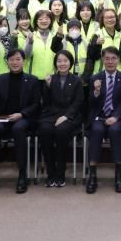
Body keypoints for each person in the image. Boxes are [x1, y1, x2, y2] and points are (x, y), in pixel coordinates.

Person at [0, 49, 41, 194]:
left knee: (18, 129)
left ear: (24, 61)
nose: (14, 62)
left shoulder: (33, 80)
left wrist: (21, 114)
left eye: (18, 59)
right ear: (7, 62)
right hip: (3, 117)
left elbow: (36, 104)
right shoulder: (0, 79)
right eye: (11, 59)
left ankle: (22, 175)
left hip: (23, 118)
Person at [86, 47, 121, 194]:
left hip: (117, 118)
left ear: (118, 60)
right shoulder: (95, 78)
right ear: (102, 60)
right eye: (107, 58)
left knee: (115, 130)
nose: (110, 62)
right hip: (99, 116)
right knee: (96, 130)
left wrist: (115, 117)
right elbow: (91, 104)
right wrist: (96, 92)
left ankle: (119, 175)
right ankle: (92, 175)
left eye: (113, 58)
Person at [37, 50, 84, 187]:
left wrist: (66, 116)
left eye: (65, 61)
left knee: (61, 131)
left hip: (70, 116)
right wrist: (47, 86)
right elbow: (46, 102)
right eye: (59, 61)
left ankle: (60, 173)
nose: (62, 64)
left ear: (70, 63)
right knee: (45, 130)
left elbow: (78, 102)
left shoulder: (76, 80)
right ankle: (50, 173)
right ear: (55, 63)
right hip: (51, 115)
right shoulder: (51, 79)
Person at [24, 10, 64, 80]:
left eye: (47, 19)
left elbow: (61, 55)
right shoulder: (31, 35)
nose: (44, 21)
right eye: (40, 19)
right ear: (36, 21)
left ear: (51, 21)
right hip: (33, 77)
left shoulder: (56, 36)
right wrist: (30, 43)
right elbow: (26, 56)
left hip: (52, 77)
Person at [88, 8, 121, 73]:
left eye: (112, 17)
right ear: (102, 20)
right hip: (101, 74)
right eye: (106, 18)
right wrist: (96, 45)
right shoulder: (97, 35)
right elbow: (91, 56)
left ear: (116, 19)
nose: (110, 20)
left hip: (119, 73)